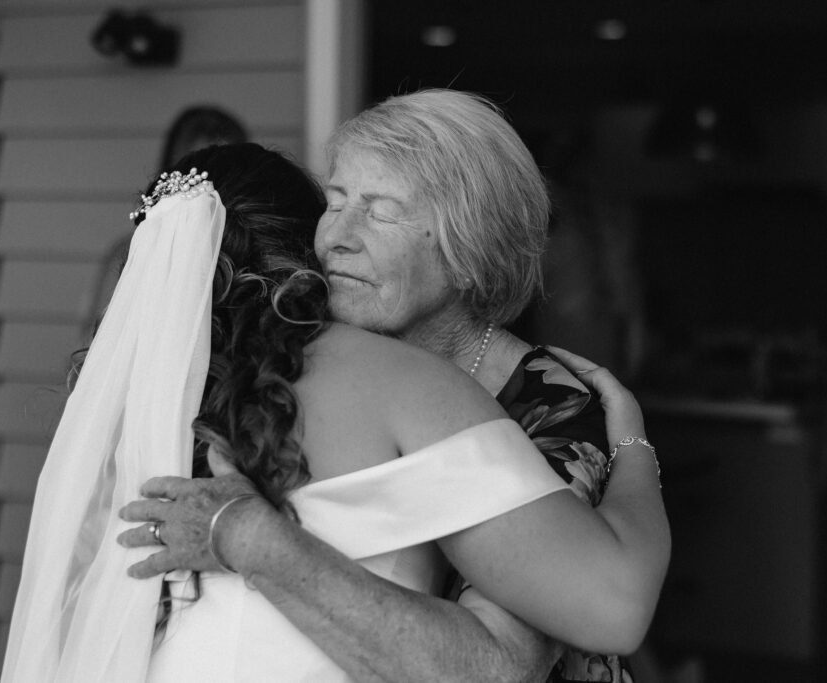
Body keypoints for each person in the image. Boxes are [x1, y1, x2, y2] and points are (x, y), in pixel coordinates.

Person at [118, 91, 669, 682]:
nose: (335, 238)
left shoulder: (547, 406)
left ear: (469, 249)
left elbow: (513, 657)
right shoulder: (284, 371)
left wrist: (634, 447)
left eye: (380, 211)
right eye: (334, 202)